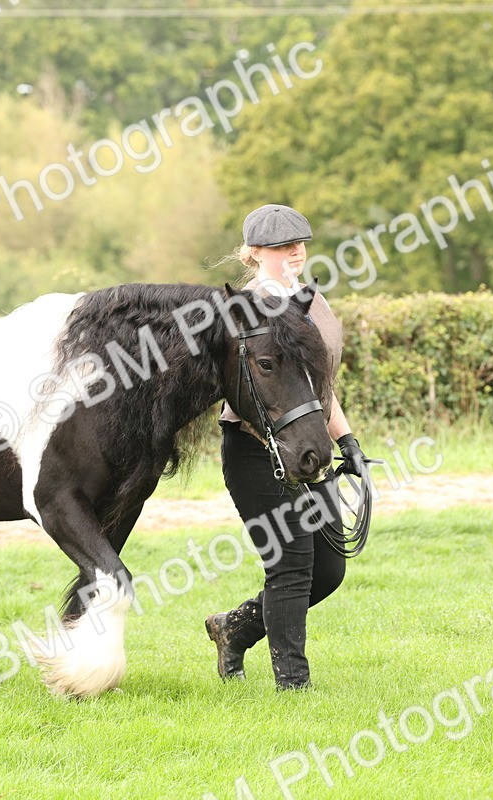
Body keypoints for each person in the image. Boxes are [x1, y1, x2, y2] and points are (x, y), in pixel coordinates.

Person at [206, 203, 367, 691]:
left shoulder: (313, 301)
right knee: (292, 564)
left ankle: (233, 628)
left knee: (330, 571)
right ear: (254, 253)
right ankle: (293, 685)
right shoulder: (246, 310)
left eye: (299, 242)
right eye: (280, 245)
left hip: (310, 446)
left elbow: (316, 387)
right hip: (257, 453)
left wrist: (347, 439)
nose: (294, 251)